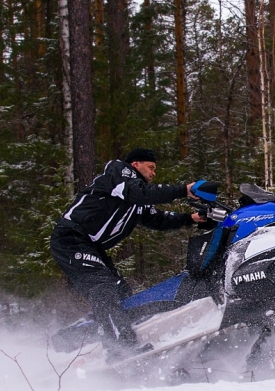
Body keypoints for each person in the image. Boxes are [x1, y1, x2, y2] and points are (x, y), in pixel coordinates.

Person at [50, 148, 205, 361]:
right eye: (150, 167)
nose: (154, 173)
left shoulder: (135, 197)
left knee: (120, 293)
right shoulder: (119, 173)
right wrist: (183, 190)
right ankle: (119, 348)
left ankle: (79, 338)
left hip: (90, 245)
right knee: (102, 288)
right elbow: (140, 193)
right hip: (70, 238)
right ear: (135, 165)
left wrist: (192, 218)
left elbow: (157, 219)